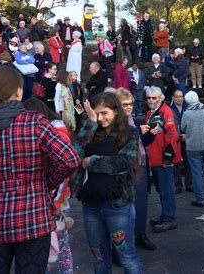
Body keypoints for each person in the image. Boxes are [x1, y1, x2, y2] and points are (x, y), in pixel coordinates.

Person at [0, 66, 80, 273]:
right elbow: (70, 159)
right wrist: (47, 182)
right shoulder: (34, 122)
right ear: (19, 91)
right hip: (33, 219)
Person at [73, 93, 142, 273]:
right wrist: (90, 123)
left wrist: (92, 162)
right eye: (96, 114)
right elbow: (73, 155)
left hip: (118, 205)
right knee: (99, 258)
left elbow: (123, 162)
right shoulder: (91, 131)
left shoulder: (130, 133)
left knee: (126, 257)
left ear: (116, 111)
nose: (100, 118)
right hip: (92, 204)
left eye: (104, 113)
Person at [22, 98, 75, 274]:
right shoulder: (51, 130)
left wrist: (55, 202)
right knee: (52, 245)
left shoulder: (54, 133)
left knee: (56, 244)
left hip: (54, 200)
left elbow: (64, 170)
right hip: (47, 198)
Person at [115, 88, 157, 251]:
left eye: (131, 103)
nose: (129, 107)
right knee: (124, 209)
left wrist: (150, 134)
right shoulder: (116, 123)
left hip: (140, 165)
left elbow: (141, 143)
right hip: (126, 170)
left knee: (141, 203)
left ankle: (140, 234)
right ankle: (122, 244)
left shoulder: (133, 120)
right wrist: (140, 131)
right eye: (124, 104)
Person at [142, 86, 181, 233]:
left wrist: (168, 158)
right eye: (149, 98)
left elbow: (172, 135)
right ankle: (165, 216)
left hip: (164, 160)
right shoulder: (149, 113)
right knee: (161, 189)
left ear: (161, 98)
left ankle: (170, 218)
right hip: (155, 158)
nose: (151, 100)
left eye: (154, 98)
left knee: (166, 190)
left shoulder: (166, 111)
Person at [181, 91, 204, 207]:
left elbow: (183, 127)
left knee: (196, 173)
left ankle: (200, 199)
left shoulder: (187, 113)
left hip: (193, 146)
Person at [170, 89, 192, 194]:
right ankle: (177, 185)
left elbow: (192, 123)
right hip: (175, 139)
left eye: (181, 96)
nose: (180, 98)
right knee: (176, 163)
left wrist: (187, 135)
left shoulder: (188, 107)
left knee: (188, 162)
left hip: (186, 138)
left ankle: (189, 184)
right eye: (177, 96)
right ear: (173, 98)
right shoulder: (170, 109)